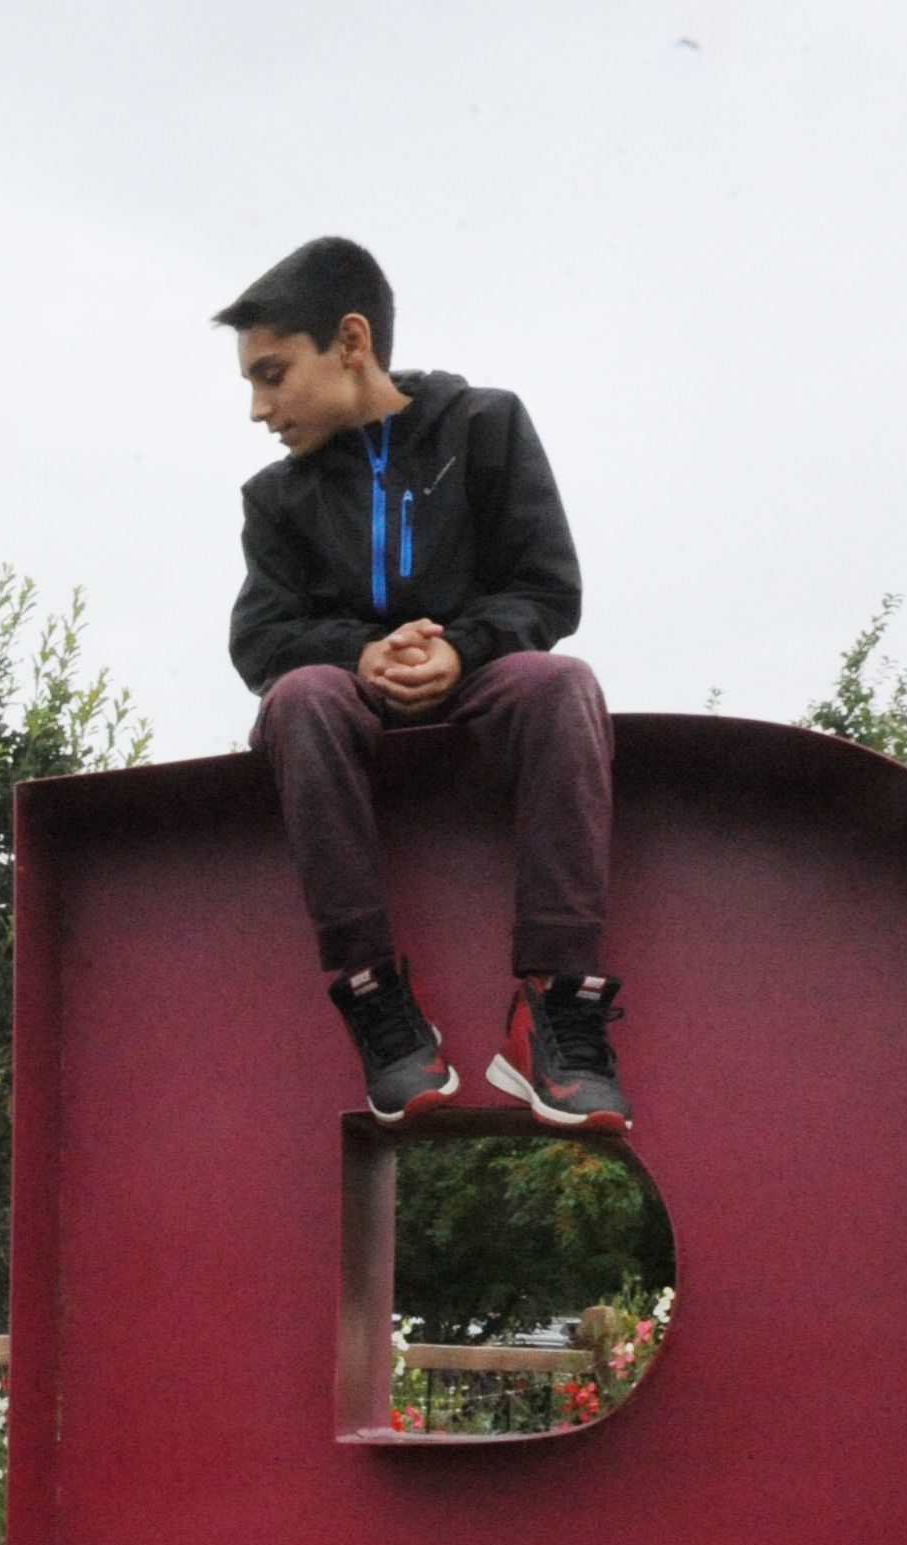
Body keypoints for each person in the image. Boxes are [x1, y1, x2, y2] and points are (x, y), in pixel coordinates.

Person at [217, 234, 631, 1132]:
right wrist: (358, 653)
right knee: (299, 696)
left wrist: (462, 647)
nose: (257, 407)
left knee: (561, 683)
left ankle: (554, 1008)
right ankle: (374, 998)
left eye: (273, 373)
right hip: (345, 703)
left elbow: (547, 589)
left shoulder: (485, 426)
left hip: (479, 680)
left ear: (352, 342)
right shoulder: (274, 499)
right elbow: (260, 637)